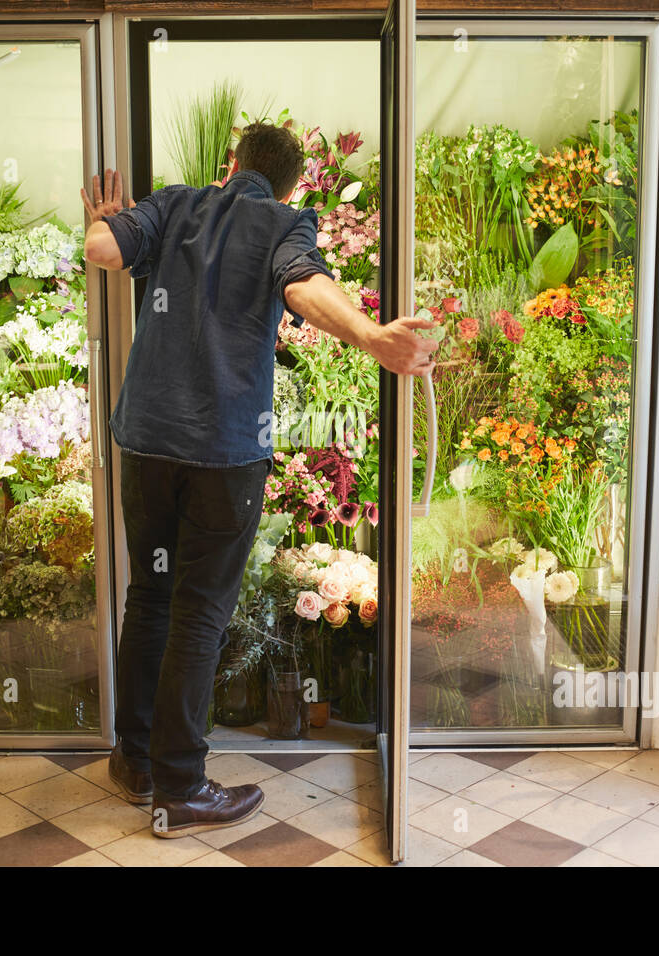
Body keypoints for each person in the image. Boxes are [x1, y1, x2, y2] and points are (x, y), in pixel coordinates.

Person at [81, 122, 437, 838]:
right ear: (292, 184)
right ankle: (180, 788)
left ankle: (137, 761)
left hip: (145, 442)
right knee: (199, 612)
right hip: (222, 451)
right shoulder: (283, 222)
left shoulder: (176, 203)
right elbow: (305, 286)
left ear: (229, 166)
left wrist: (102, 219)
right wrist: (371, 339)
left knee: (150, 595)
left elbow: (102, 251)